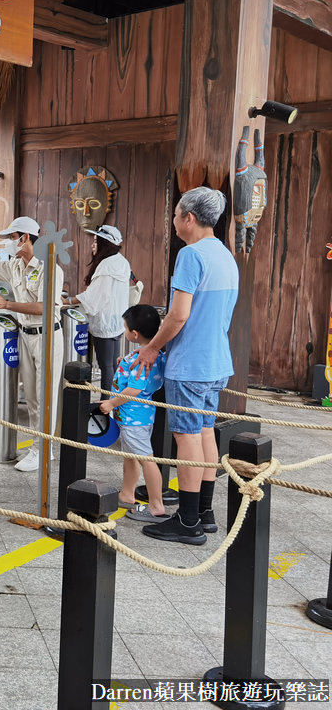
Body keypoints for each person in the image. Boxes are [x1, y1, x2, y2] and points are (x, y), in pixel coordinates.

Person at [133, 187, 238, 545]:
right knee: (205, 432)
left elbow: (178, 315)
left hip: (191, 361)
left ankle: (188, 521)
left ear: (188, 218)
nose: (175, 220)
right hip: (216, 361)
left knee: (187, 438)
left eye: (176, 214)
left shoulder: (191, 256)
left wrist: (151, 348)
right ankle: (204, 512)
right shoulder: (225, 255)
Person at [0, 217, 65, 472]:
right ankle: (40, 448)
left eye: (11, 238)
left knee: (45, 395)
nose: (8, 243)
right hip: (24, 334)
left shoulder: (51, 267)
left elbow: (44, 307)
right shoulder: (15, 266)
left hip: (47, 336)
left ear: (25, 238)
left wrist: (6, 305)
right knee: (31, 397)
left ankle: (41, 451)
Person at [98, 305, 168, 523]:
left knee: (146, 459)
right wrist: (123, 364)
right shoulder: (153, 354)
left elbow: (134, 390)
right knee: (131, 458)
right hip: (140, 416)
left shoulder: (140, 361)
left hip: (133, 418)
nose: (125, 331)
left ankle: (156, 505)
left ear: (134, 334)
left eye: (126, 328)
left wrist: (111, 403)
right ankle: (127, 494)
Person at [64, 224, 131, 395]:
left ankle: (106, 403)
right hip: (117, 321)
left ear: (105, 243)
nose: (93, 245)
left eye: (96, 241)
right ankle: (113, 402)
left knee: (106, 366)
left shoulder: (106, 264)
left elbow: (94, 296)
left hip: (104, 323)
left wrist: (68, 300)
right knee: (114, 365)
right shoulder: (122, 262)